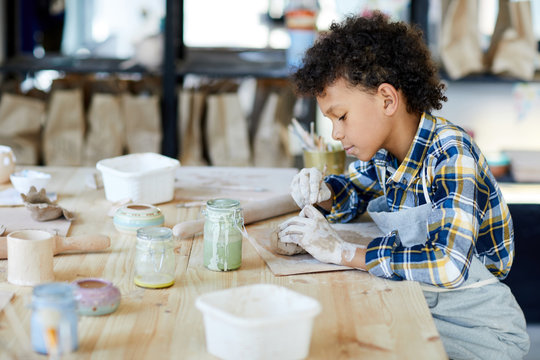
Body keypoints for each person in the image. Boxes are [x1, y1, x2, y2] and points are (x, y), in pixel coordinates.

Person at [278, 12, 530, 360]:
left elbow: (448, 264)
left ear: (386, 100)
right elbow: (352, 192)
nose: (335, 133)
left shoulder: (451, 154)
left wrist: (344, 253)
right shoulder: (386, 154)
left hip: (481, 331)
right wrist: (325, 193)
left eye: (341, 116)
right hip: (421, 303)